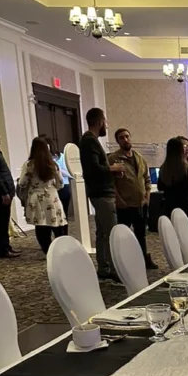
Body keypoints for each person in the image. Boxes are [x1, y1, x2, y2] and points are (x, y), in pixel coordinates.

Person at [79, 107, 124, 281]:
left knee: (102, 232)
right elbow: (93, 169)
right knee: (110, 233)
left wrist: (111, 171)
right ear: (100, 122)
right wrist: (113, 168)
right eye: (105, 121)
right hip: (102, 193)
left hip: (99, 192)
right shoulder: (89, 141)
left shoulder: (89, 140)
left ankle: (104, 267)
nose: (106, 124)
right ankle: (113, 270)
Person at [107, 128, 157, 270]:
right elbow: (111, 183)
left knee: (141, 234)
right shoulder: (113, 159)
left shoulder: (139, 158)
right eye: (122, 138)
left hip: (140, 203)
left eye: (127, 136)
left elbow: (146, 179)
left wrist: (147, 194)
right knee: (123, 235)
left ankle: (143, 259)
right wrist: (118, 199)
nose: (126, 140)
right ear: (118, 141)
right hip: (124, 203)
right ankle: (125, 262)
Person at [19, 137, 66, 254]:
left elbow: (22, 183)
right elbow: (61, 184)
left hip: (36, 199)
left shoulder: (29, 165)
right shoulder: (53, 164)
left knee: (41, 227)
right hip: (52, 198)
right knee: (57, 225)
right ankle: (61, 251)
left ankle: (48, 252)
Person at [158, 137, 188, 229]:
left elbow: (160, 186)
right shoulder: (185, 167)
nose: (187, 150)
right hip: (184, 206)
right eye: (184, 147)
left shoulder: (164, 167)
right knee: (186, 235)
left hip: (168, 206)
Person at [42, 136, 71, 235]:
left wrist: (56, 168)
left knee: (63, 215)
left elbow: (70, 172)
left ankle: (64, 237)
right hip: (47, 190)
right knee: (49, 216)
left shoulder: (61, 157)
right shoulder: (39, 161)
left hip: (63, 188)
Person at [0, 133, 17, 258]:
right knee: (1, 223)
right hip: (2, 194)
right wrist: (4, 193)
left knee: (4, 222)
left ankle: (7, 246)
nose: (0, 137)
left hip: (7, 193)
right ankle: (3, 249)